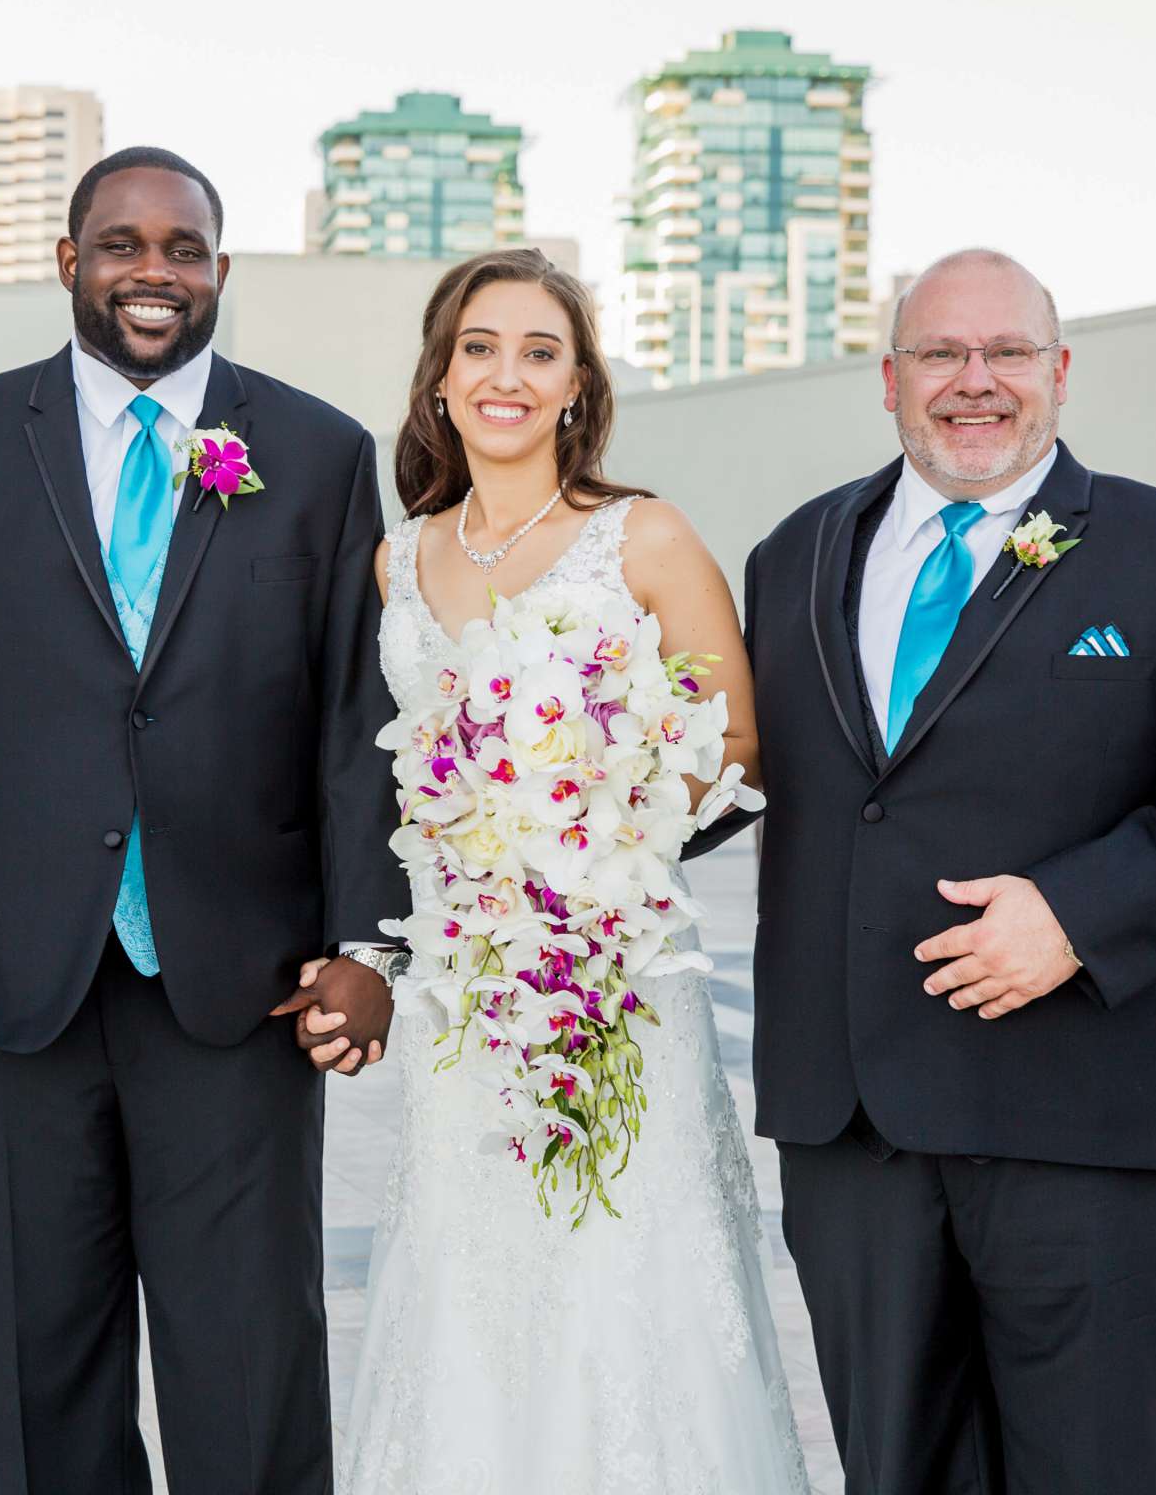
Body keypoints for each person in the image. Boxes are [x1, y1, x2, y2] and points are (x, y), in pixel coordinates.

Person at [0, 146, 406, 1495]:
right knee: (40, 1354)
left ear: (219, 270)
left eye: (186, 248)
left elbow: (352, 721)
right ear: (68, 260)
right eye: (124, 244)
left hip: (239, 978)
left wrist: (364, 948)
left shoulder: (319, 455)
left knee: (252, 1351)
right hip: (2, 976)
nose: (156, 273)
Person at [727, 248, 1156, 1493]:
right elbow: (745, 772)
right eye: (941, 353)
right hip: (855, 1131)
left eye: (1006, 352)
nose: (974, 381)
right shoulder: (793, 555)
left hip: (1090, 1119)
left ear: (1058, 372)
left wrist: (1074, 912)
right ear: (889, 380)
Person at [338, 247, 811, 1493]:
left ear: (578, 387)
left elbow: (741, 743)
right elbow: (392, 780)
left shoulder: (639, 536)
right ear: (440, 379)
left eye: (540, 351)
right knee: (474, 1285)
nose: (507, 374)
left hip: (617, 972)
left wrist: (606, 845)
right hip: (467, 987)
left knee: (621, 1277)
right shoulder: (398, 562)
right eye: (480, 347)